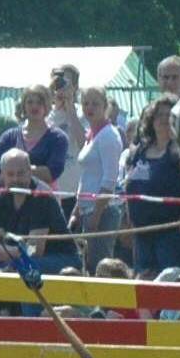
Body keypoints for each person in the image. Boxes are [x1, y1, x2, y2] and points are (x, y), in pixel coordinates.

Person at [121, 94, 180, 276]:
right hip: (142, 231)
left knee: (170, 282)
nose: (164, 119)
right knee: (144, 282)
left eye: (169, 115)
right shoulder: (139, 151)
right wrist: (128, 219)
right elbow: (129, 186)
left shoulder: (179, 151)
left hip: (171, 234)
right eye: (159, 115)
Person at [0, 149, 81, 280]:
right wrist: (2, 252)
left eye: (20, 173)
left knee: (26, 268)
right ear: (2, 175)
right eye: (10, 174)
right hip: (17, 258)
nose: (16, 179)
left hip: (60, 257)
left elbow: (34, 251)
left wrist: (5, 253)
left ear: (30, 171)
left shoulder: (42, 197)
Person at [72, 87, 126, 268]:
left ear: (105, 105)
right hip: (87, 209)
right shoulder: (92, 135)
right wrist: (77, 209)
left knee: (101, 265)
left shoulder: (109, 136)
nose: (90, 108)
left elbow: (109, 180)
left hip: (104, 211)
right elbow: (87, 176)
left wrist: (97, 214)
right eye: (86, 103)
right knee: (89, 263)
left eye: (95, 103)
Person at [0, 84, 70, 187]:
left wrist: (15, 170)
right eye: (30, 102)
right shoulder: (8, 138)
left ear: (47, 105)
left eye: (39, 102)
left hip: (45, 199)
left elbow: (52, 173)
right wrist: (34, 170)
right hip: (13, 199)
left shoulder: (58, 138)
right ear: (23, 105)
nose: (34, 106)